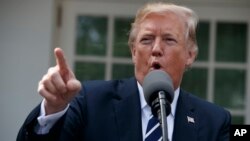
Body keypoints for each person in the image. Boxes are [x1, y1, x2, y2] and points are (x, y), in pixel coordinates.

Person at [17, 2, 231, 141]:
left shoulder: (215, 120)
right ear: (133, 52)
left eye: (169, 39)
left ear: (190, 55)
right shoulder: (90, 102)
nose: (156, 49)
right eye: (146, 40)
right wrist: (54, 109)